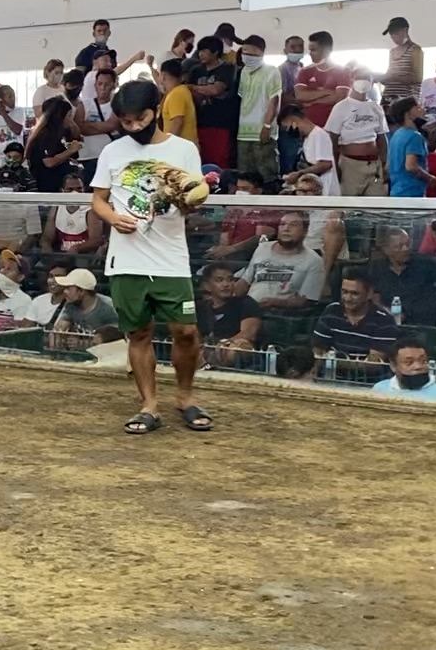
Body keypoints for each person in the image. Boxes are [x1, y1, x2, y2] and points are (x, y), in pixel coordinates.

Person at [91, 79, 211, 434]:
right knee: (139, 333)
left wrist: (191, 201)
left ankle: (185, 397)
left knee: (185, 330)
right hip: (127, 259)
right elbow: (98, 199)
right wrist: (113, 218)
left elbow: (193, 198)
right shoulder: (112, 152)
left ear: (155, 110)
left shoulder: (183, 149)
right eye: (126, 122)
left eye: (139, 119)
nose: (133, 127)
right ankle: (149, 405)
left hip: (171, 256)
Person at [369, 225, 436, 325]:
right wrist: (388, 312)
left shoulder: (424, 262)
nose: (405, 249)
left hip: (424, 322)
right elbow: (374, 298)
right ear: (386, 250)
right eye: (399, 246)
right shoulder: (377, 268)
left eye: (408, 244)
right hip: (390, 324)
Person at [311, 272, 400, 367]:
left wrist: (334, 363)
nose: (348, 298)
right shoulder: (332, 311)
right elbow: (318, 351)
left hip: (366, 376)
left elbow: (373, 365)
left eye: (355, 293)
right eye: (344, 292)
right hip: (329, 372)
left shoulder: (384, 320)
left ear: (369, 294)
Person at [239, 212, 326, 308]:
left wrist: (277, 303)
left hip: (280, 314)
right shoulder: (263, 248)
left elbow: (307, 301)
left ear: (305, 231)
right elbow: (245, 281)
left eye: (293, 225)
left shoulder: (314, 261)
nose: (286, 229)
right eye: (282, 224)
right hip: (248, 309)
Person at [326, 74, 388, 196]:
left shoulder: (376, 107)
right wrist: (335, 165)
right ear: (352, 81)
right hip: (350, 164)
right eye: (360, 78)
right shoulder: (341, 107)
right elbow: (332, 139)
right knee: (350, 202)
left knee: (376, 202)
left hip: (374, 164)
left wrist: (384, 163)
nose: (363, 81)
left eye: (367, 79)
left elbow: (382, 137)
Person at [233, 37, 282, 187]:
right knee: (245, 176)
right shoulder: (244, 72)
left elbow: (274, 100)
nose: (245, 55)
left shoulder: (271, 71)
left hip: (262, 131)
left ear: (260, 51)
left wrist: (267, 125)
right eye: (244, 51)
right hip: (243, 133)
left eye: (249, 51)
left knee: (266, 175)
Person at [194, 261, 263, 367]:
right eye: (220, 280)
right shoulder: (200, 307)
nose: (226, 284)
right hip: (205, 351)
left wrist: (220, 346)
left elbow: (248, 334)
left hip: (232, 349)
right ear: (207, 286)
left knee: (239, 346)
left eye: (230, 280)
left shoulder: (246, 303)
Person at [185, 36, 238, 169]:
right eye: (200, 51)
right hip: (199, 122)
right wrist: (201, 90)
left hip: (220, 123)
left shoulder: (227, 68)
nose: (201, 54)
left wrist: (194, 88)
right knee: (201, 161)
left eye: (205, 51)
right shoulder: (196, 70)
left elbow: (215, 90)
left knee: (219, 161)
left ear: (215, 52)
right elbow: (188, 92)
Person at [292, 31, 349, 129]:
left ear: (326, 50)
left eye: (314, 50)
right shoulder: (305, 71)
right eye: (310, 50)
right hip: (309, 128)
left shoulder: (342, 71)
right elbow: (300, 96)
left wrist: (312, 102)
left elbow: (340, 97)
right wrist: (327, 92)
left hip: (335, 128)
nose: (310, 53)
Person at [371, 335, 436, 401]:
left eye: (423, 361)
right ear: (393, 366)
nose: (418, 366)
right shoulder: (380, 389)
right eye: (409, 362)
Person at [386, 96, 435, 199]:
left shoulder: (396, 135)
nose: (423, 110)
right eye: (418, 108)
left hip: (396, 191)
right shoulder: (415, 136)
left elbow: (388, 166)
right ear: (408, 113)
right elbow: (411, 166)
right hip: (411, 192)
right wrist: (431, 179)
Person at [154, 59, 199, 146]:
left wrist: (168, 145)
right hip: (186, 146)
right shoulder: (182, 90)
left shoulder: (176, 94)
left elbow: (177, 123)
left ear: (163, 76)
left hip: (180, 147)